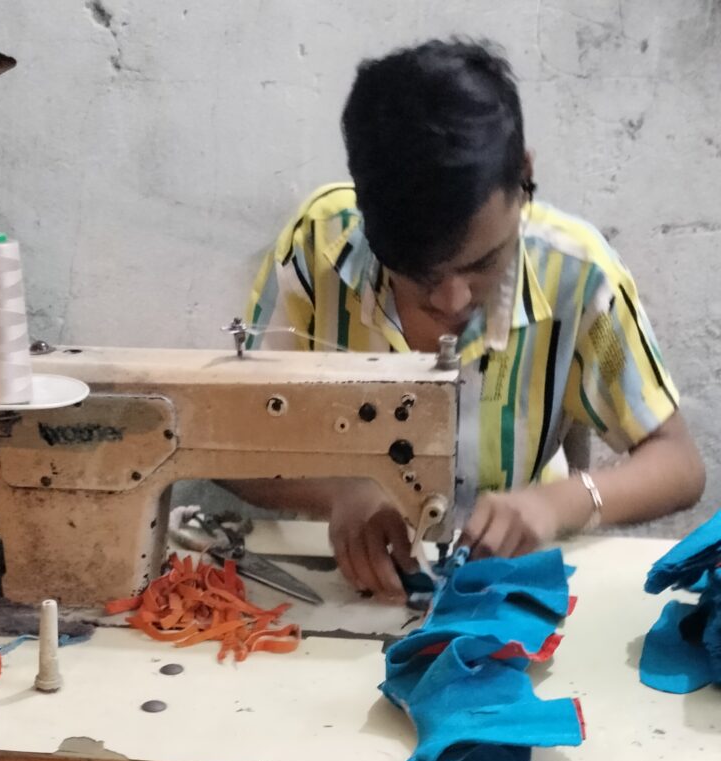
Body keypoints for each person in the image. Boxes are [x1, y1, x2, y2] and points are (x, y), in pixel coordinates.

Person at [236, 38, 704, 603]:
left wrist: (554, 504)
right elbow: (226, 443)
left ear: (524, 176)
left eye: (484, 262)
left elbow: (678, 463)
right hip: (351, 590)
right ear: (366, 210)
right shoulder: (318, 249)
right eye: (418, 273)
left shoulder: (578, 278)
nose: (454, 300)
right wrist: (340, 494)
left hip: (508, 591)